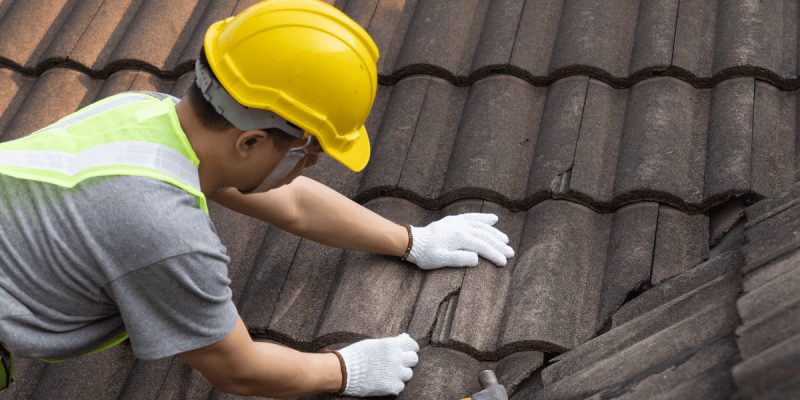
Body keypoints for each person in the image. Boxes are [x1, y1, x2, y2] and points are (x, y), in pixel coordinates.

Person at [0, 0, 515, 397]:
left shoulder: (146, 111)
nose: (309, 167)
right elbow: (238, 368)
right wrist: (344, 369)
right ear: (249, 142)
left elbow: (294, 204)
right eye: (307, 153)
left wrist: (411, 239)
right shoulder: (165, 231)